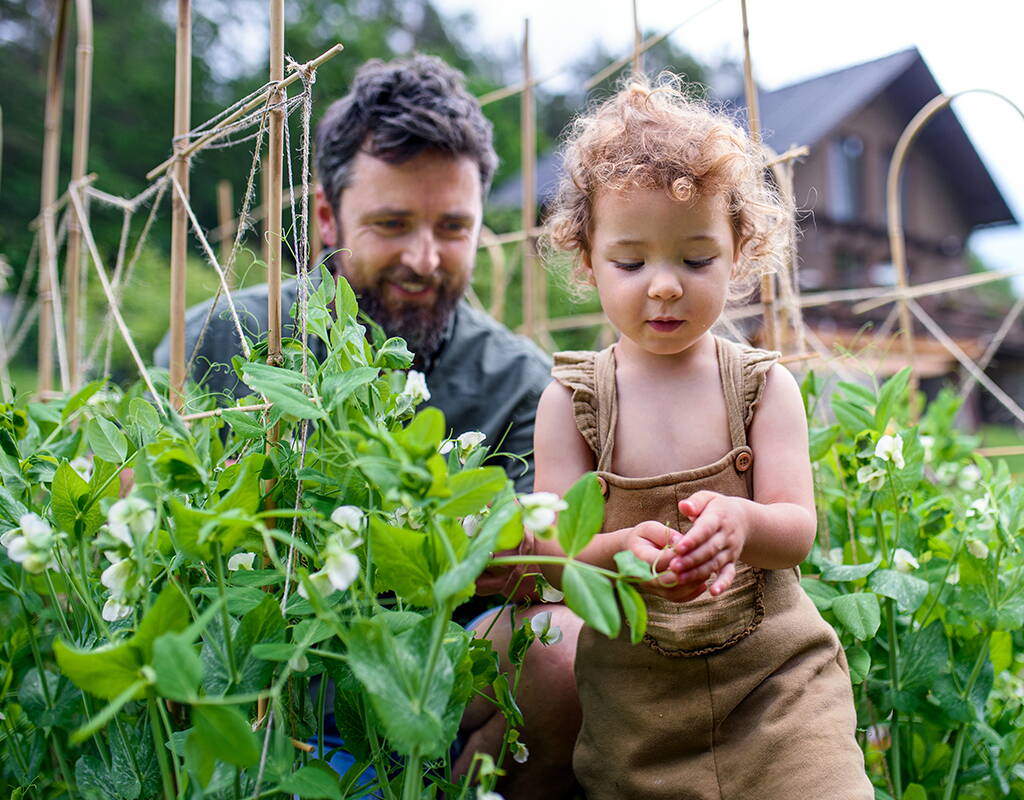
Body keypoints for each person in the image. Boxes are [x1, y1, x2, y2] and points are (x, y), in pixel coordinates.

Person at [154, 54, 582, 799]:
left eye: (453, 227)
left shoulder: (519, 382)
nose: (423, 259)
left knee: (564, 652)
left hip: (433, 689)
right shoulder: (222, 342)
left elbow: (535, 572)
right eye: (391, 224)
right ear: (328, 215)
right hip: (254, 681)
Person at [530, 75, 874, 799]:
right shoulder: (572, 402)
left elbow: (796, 529)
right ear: (587, 260)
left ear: (739, 252)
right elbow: (553, 557)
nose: (663, 286)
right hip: (638, 707)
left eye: (695, 259)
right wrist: (613, 552)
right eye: (631, 261)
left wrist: (743, 522)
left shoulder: (759, 387)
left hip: (778, 686)